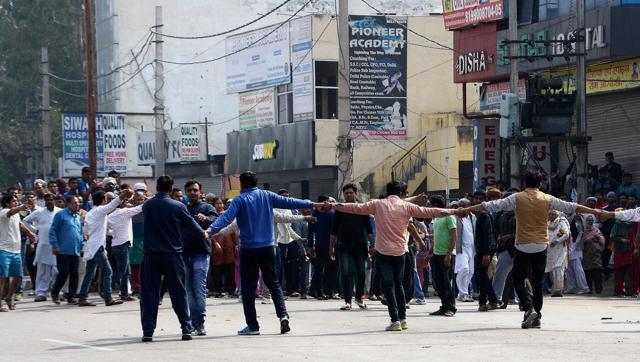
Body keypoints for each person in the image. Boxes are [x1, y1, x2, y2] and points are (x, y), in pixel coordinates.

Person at [462, 170, 601, 329]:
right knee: (537, 282)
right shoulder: (547, 198)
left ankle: (529, 308)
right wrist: (596, 211)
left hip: (522, 245)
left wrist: (466, 209)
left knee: (519, 279)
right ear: (540, 185)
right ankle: (537, 318)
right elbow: (571, 206)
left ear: (524, 184)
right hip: (541, 245)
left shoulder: (517, 197)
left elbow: (491, 205)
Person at [330, 182, 465, 331]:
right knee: (399, 285)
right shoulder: (406, 206)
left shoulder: (378, 204)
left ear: (387, 192)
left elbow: (354, 208)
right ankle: (403, 319)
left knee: (389, 285)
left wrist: (333, 205)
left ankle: (394, 319)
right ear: (400, 193)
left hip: (383, 252)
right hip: (401, 251)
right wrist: (454, 211)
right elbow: (430, 212)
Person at [207, 171, 325, 336]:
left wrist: (210, 230)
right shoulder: (267, 196)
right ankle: (283, 316)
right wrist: (313, 204)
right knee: (274, 283)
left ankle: (253, 325)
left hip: (248, 249)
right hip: (268, 248)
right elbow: (289, 202)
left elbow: (226, 218)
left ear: (241, 184)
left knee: (248, 288)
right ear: (257, 182)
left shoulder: (240, 200)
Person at [140, 176, 206, 342]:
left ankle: (148, 331)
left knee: (150, 294)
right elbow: (192, 225)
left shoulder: (148, 205)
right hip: (173, 255)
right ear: (171, 188)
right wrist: (205, 234)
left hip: (151, 256)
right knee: (179, 293)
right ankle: (186, 329)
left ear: (157, 187)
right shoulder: (178, 206)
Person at [78, 189, 132, 306]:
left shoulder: (91, 212)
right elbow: (113, 204)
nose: (107, 202)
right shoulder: (100, 210)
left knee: (90, 273)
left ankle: (82, 297)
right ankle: (108, 298)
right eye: (106, 199)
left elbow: (86, 231)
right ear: (103, 200)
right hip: (97, 246)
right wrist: (123, 195)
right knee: (108, 271)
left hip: (92, 245)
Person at [330, 183, 373, 310]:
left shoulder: (362, 208)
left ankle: (359, 297)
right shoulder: (340, 209)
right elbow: (334, 230)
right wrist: (330, 248)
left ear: (356, 194)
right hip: (343, 245)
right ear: (343, 195)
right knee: (345, 272)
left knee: (361, 273)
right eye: (346, 193)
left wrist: (373, 245)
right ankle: (347, 301)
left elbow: (369, 229)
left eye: (351, 192)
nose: (348, 194)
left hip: (360, 245)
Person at [183, 180, 217, 336]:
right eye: (189, 190)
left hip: (201, 253)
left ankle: (200, 323)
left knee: (199, 288)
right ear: (186, 192)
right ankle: (193, 323)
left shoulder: (207, 208)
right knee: (189, 290)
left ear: (200, 192)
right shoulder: (182, 209)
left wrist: (206, 219)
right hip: (184, 253)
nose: (192, 192)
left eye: (195, 190)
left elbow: (217, 222)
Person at [21, 194, 60, 301]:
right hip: (43, 244)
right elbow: (25, 221)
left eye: (51, 199)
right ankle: (41, 293)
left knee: (56, 270)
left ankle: (55, 291)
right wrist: (35, 230)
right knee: (42, 271)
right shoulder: (39, 212)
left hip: (56, 245)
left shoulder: (60, 212)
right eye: (47, 200)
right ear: (44, 201)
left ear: (54, 200)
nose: (49, 201)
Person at [0, 194, 35, 311]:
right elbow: (10, 213)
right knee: (2, 277)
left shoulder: (16, 214)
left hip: (16, 251)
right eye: (14, 201)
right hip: (4, 250)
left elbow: (19, 224)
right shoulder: (4, 212)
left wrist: (29, 232)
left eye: (16, 201)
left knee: (18, 277)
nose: (16, 202)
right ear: (6, 204)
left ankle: (9, 297)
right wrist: (20, 207)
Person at [107, 193, 144, 302]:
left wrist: (115, 233)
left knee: (126, 271)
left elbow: (106, 230)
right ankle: (106, 288)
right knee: (121, 271)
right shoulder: (125, 212)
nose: (129, 203)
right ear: (122, 203)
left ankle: (124, 294)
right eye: (127, 201)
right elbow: (141, 207)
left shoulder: (111, 215)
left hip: (116, 245)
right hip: (122, 245)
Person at [49, 195, 84, 305]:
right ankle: (55, 293)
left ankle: (71, 296)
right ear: (68, 204)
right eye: (74, 202)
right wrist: (55, 245)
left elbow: (80, 233)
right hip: (62, 250)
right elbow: (53, 230)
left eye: (78, 202)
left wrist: (82, 245)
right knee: (63, 273)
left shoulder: (77, 217)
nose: (77, 204)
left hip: (75, 250)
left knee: (74, 274)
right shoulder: (61, 215)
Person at [429, 195, 458, 317]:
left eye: (430, 204)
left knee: (447, 282)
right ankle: (444, 306)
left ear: (435, 205)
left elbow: (454, 236)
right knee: (438, 283)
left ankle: (451, 308)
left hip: (447, 255)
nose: (428, 207)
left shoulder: (449, 216)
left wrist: (448, 255)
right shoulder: (436, 218)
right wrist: (431, 251)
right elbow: (436, 236)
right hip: (436, 254)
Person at [473, 189, 502, 311]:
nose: (478, 201)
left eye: (481, 199)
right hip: (483, 250)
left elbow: (488, 235)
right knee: (482, 277)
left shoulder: (485, 215)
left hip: (485, 251)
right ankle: (483, 302)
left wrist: (486, 253)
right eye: (476, 199)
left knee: (483, 277)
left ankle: (493, 300)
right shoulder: (481, 215)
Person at [308, 195, 337, 300]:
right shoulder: (331, 214)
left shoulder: (315, 214)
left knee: (319, 269)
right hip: (328, 246)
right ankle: (326, 291)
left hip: (319, 245)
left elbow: (310, 232)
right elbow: (334, 232)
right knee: (329, 269)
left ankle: (318, 291)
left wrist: (311, 246)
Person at [608, 209, 638, 296]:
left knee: (633, 273)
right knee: (619, 273)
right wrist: (621, 239)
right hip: (620, 251)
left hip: (632, 251)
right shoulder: (617, 225)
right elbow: (612, 237)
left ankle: (634, 292)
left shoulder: (633, 224)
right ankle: (620, 291)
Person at [454, 198, 475, 303]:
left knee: (471, 271)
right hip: (461, 248)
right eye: (461, 205)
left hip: (472, 248)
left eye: (465, 205)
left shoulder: (472, 217)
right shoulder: (456, 217)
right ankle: (463, 293)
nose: (462, 207)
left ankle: (464, 292)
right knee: (464, 269)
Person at [545, 210, 569, 297]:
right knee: (552, 269)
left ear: (557, 215)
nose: (551, 215)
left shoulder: (561, 222)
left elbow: (566, 234)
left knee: (558, 268)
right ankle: (554, 289)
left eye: (553, 214)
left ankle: (559, 290)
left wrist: (557, 241)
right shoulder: (547, 223)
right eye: (550, 214)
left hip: (559, 249)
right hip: (550, 250)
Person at [581, 214, 605, 294]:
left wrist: (597, 238)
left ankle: (598, 288)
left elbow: (602, 239)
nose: (590, 221)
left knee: (597, 272)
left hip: (595, 253)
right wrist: (587, 239)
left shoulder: (596, 230)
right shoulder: (583, 230)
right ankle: (589, 288)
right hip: (586, 254)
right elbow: (581, 241)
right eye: (588, 220)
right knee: (588, 272)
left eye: (591, 220)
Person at [129, 192, 146, 297]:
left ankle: (142, 287)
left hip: (144, 240)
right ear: (133, 200)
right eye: (137, 200)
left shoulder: (147, 210)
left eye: (141, 200)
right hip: (133, 239)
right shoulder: (129, 211)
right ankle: (135, 287)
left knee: (142, 265)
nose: (139, 202)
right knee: (134, 265)